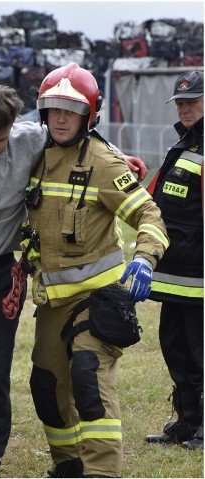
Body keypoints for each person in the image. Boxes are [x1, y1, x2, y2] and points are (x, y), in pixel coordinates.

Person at [0, 83, 148, 478]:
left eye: (0, 139)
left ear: (13, 128)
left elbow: (80, 144)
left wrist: (122, 160)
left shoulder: (28, 140)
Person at [25, 63, 168, 478]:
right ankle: (68, 467)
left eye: (71, 109)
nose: (62, 118)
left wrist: (144, 258)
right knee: (47, 388)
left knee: (88, 378)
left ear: (90, 115)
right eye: (54, 109)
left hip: (98, 302)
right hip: (52, 302)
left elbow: (149, 214)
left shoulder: (104, 162)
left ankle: (102, 472)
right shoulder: (34, 158)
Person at [143, 70, 204, 450]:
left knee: (201, 354)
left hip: (200, 275)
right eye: (180, 102)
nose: (184, 108)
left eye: (192, 101)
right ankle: (187, 420)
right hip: (176, 276)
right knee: (176, 348)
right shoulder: (183, 145)